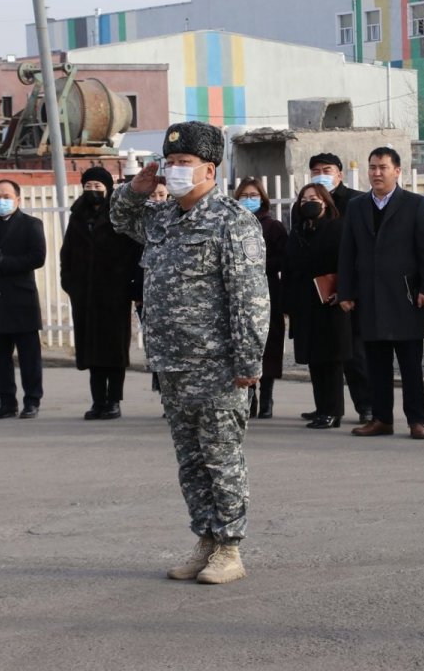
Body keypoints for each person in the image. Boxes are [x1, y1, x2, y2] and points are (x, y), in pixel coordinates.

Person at [111, 121, 270, 585]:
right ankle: (205, 538)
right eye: (170, 162)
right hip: (172, 362)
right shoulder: (162, 218)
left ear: (210, 170)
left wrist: (248, 361)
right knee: (191, 462)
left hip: (217, 365)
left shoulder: (232, 221)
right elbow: (120, 220)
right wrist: (136, 190)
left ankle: (230, 548)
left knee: (222, 458)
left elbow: (249, 298)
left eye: (184, 162)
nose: (175, 169)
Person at [338, 147, 424, 439]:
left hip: (405, 297)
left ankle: (416, 421)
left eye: (383, 167)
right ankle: (381, 419)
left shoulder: (414, 204)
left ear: (397, 171)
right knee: (376, 365)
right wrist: (346, 291)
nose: (377, 173)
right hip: (370, 297)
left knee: (410, 365)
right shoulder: (357, 206)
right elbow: (347, 252)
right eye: (372, 167)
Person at [60, 167, 142, 420]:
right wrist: (70, 283)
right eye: (88, 186)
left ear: (107, 189)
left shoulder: (118, 215)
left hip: (114, 294)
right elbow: (67, 253)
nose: (92, 191)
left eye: (97, 186)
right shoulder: (77, 216)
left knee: (114, 350)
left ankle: (113, 401)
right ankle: (98, 401)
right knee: (91, 350)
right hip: (85, 295)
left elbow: (133, 251)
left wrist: (127, 284)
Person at [0, 179, 47, 420]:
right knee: (1, 357)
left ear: (18, 199)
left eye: (6, 196)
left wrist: (5, 263)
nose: (1, 201)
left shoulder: (31, 224)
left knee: (29, 357)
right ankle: (6, 402)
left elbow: (37, 258)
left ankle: (32, 400)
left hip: (21, 299)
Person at [309, 152, 372, 423]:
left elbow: (363, 247)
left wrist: (349, 287)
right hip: (318, 290)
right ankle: (326, 406)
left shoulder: (357, 201)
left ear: (340, 174)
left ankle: (367, 406)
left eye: (327, 170)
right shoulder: (309, 202)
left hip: (348, 288)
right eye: (316, 170)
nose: (321, 174)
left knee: (354, 353)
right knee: (321, 352)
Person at [284, 183, 350, 429]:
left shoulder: (338, 228)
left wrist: (343, 291)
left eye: (313, 198)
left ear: (325, 202)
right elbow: (289, 265)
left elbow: (348, 262)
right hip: (305, 301)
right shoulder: (299, 230)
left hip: (329, 301)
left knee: (331, 359)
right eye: (304, 200)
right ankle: (321, 407)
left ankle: (333, 411)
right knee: (314, 358)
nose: (308, 203)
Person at [233, 177, 286, 418]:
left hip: (267, 289)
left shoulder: (273, 226)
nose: (249, 200)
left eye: (253, 195)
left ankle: (267, 398)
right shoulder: (232, 225)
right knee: (244, 343)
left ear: (262, 198)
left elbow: (284, 258)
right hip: (239, 292)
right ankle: (249, 397)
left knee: (270, 343)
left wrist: (257, 265)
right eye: (244, 196)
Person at [131, 182, 170, 404]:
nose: (157, 199)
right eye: (153, 195)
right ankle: (164, 393)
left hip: (173, 298)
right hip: (147, 295)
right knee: (155, 348)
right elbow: (133, 261)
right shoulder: (139, 223)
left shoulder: (177, 220)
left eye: (161, 194)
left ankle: (174, 395)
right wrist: (138, 294)